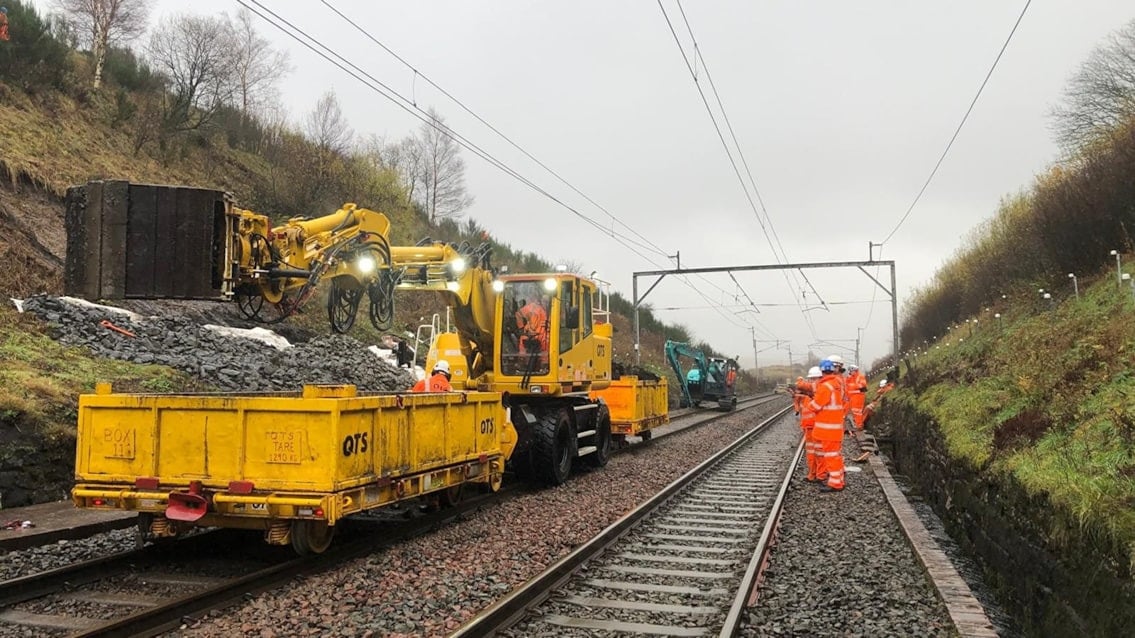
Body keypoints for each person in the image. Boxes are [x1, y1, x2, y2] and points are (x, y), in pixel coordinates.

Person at [808, 358, 846, 492]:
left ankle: (835, 484)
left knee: (831, 457)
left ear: (822, 372)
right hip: (835, 428)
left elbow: (816, 406)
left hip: (828, 429)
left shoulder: (825, 386)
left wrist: (809, 402)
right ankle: (839, 479)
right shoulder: (837, 384)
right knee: (836, 455)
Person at [800, 367, 822, 481]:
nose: (812, 381)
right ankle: (812, 474)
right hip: (809, 428)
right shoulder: (809, 395)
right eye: (811, 379)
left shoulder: (820, 392)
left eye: (814, 378)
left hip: (816, 427)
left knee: (819, 453)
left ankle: (820, 475)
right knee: (811, 453)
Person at [847, 364, 869, 429]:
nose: (850, 373)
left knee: (857, 412)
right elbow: (847, 385)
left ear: (854, 370)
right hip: (853, 397)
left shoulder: (860, 377)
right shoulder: (851, 378)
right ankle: (857, 424)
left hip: (859, 397)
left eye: (850, 371)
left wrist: (853, 386)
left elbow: (863, 385)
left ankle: (859, 425)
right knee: (854, 412)